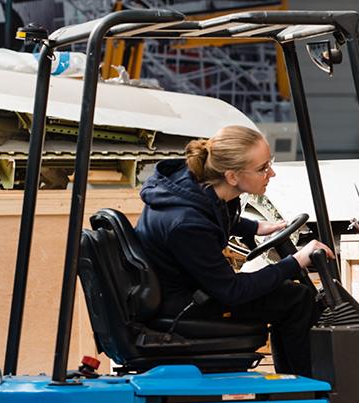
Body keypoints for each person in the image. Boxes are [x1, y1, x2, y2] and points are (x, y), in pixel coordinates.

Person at [134, 125, 333, 376]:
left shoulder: (193, 184)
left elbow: (213, 212)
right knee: (297, 300)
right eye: (262, 169)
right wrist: (295, 261)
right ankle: (309, 387)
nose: (271, 173)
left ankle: (292, 382)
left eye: (268, 164)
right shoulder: (186, 225)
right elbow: (233, 291)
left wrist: (255, 227)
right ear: (232, 176)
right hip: (183, 308)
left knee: (292, 296)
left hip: (187, 291)